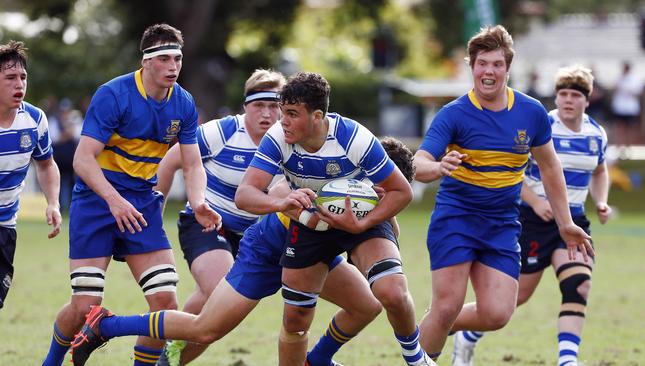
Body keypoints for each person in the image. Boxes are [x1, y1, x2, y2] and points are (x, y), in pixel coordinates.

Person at [69, 136, 417, 366]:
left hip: (310, 260)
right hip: (266, 250)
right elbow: (281, 183)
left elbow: (383, 228)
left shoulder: (369, 198)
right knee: (206, 328)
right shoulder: (332, 170)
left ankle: (319, 359)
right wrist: (294, 206)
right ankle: (107, 325)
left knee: (367, 304)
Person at [42, 24, 221, 366]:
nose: (173, 66)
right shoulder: (114, 94)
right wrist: (114, 200)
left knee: (166, 301)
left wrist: (199, 201)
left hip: (141, 204)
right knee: (84, 307)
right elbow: (82, 159)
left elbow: (193, 165)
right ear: (146, 62)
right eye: (165, 58)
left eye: (178, 59)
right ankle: (50, 362)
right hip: (96, 202)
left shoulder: (183, 103)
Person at [412, 25, 594, 363]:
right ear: (472, 66)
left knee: (497, 314)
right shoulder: (453, 114)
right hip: (457, 219)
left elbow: (550, 167)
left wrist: (565, 222)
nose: (488, 71)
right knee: (448, 304)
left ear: (507, 69)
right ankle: (431, 339)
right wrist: (437, 168)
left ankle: (433, 323)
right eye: (482, 63)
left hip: (502, 225)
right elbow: (418, 162)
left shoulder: (531, 113)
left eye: (496, 64)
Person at [235, 72, 435, 366]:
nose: (283, 121)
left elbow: (401, 192)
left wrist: (364, 223)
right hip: (312, 223)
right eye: (283, 112)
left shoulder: (354, 138)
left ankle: (415, 357)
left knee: (391, 291)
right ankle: (314, 362)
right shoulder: (278, 137)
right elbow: (245, 194)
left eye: (292, 114)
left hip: (361, 218)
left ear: (317, 116)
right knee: (296, 318)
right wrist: (281, 201)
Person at [453, 65, 611, 366]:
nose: (567, 100)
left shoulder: (596, 134)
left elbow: (601, 171)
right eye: (562, 94)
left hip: (574, 223)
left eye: (575, 95)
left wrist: (601, 201)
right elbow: (513, 171)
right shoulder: (542, 126)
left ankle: (568, 361)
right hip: (532, 222)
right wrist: (536, 201)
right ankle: (464, 333)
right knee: (515, 299)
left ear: (586, 101)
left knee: (578, 285)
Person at [152, 68, 286, 364]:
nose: (266, 114)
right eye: (259, 106)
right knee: (218, 294)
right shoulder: (221, 132)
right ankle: (165, 352)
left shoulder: (287, 142)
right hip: (207, 223)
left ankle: (167, 354)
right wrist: (154, 217)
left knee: (218, 308)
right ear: (245, 107)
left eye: (274, 106)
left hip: (255, 238)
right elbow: (170, 161)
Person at [0, 40, 62, 310]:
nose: (19, 84)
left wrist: (53, 202)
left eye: (23, 77)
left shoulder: (34, 120)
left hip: (5, 226)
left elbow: (46, 164)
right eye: (10, 77)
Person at [610, 61, 643, 145]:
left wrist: (625, 89)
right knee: (620, 127)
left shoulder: (635, 79)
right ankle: (620, 145)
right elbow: (613, 88)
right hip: (620, 107)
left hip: (630, 108)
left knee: (630, 128)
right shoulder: (618, 78)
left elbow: (637, 92)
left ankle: (629, 146)